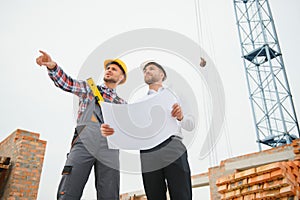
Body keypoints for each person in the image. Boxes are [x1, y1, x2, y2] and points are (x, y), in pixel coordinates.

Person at [36, 50, 127, 200]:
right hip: (84, 141)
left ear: (121, 77)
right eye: (108, 68)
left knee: (110, 194)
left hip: (110, 148)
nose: (109, 70)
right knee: (69, 189)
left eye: (114, 69)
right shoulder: (89, 88)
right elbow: (68, 83)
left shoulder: (123, 104)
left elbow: (130, 129)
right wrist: (53, 68)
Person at [101, 61, 194, 200]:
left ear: (162, 74)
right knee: (154, 194)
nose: (147, 71)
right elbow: (127, 129)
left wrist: (181, 116)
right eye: (145, 70)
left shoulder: (175, 95)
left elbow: (190, 124)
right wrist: (109, 130)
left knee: (181, 193)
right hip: (148, 152)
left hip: (173, 147)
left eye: (151, 68)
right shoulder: (139, 103)